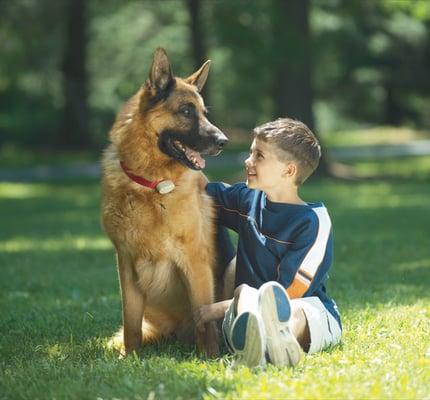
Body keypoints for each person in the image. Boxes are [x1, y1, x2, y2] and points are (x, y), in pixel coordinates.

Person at [194, 118, 342, 367]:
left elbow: (293, 292)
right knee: (244, 293)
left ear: (289, 170)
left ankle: (269, 342)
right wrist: (187, 159)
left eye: (259, 156)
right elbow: (203, 190)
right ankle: (265, 346)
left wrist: (215, 309)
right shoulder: (247, 200)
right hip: (245, 312)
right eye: (251, 153)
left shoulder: (313, 221)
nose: (248, 161)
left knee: (291, 312)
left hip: (306, 311)